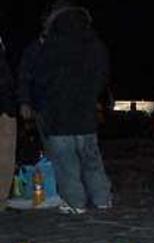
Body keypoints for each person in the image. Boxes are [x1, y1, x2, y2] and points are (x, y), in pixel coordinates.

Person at [35, 1, 112, 214]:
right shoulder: (94, 42)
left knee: (66, 162)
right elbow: (102, 74)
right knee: (91, 159)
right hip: (85, 112)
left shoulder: (52, 44)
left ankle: (75, 202)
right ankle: (102, 198)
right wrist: (91, 94)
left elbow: (41, 77)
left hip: (59, 113)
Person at [0, 35, 15, 211]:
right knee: (5, 157)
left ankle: (2, 200)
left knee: (5, 157)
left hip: (6, 109)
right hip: (6, 108)